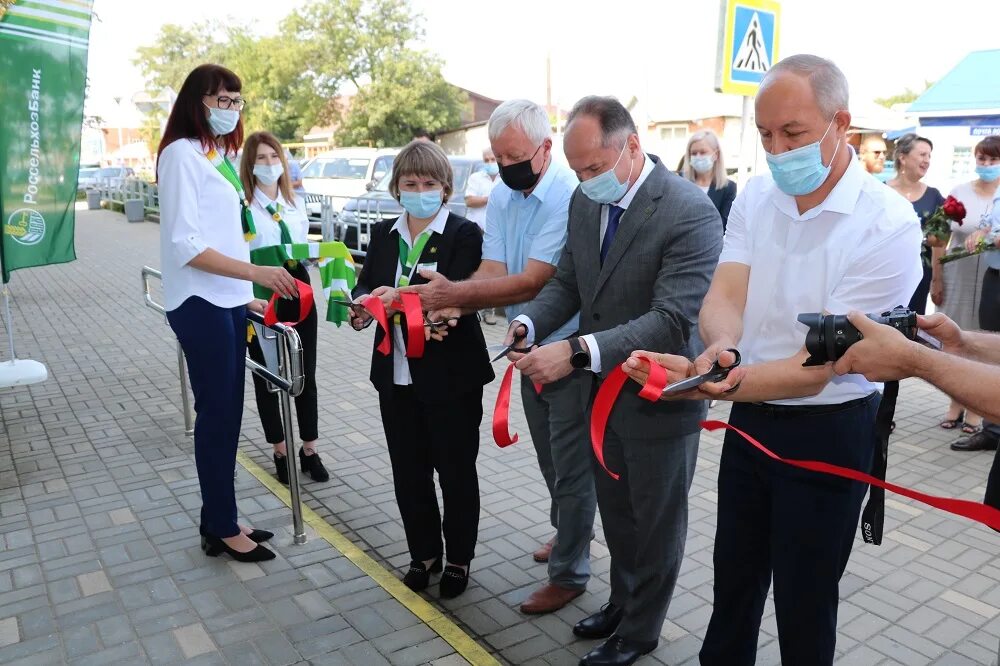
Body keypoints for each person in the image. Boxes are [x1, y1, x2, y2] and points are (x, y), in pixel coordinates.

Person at [622, 55, 921, 665]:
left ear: (841, 123)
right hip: (751, 416)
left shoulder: (887, 223)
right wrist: (718, 350)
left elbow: (825, 367)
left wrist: (715, 383)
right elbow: (726, 292)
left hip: (830, 429)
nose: (777, 148)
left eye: (793, 133)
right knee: (734, 575)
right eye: (764, 134)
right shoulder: (757, 197)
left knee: (805, 597)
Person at [511, 95, 722, 665]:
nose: (584, 181)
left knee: (656, 522)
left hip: (659, 396)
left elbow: (672, 317)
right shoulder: (585, 202)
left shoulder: (688, 210)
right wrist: (530, 323)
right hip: (602, 396)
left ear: (630, 145)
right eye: (577, 171)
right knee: (618, 512)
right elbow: (572, 284)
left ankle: (641, 630)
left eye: (594, 169)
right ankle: (623, 603)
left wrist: (577, 351)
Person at [402, 99, 595, 616]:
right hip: (524, 345)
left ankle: (570, 572)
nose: (504, 167)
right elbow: (492, 268)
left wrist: (452, 299)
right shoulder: (507, 195)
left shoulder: (567, 196)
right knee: (551, 459)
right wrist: (453, 298)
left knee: (573, 467)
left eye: (514, 156)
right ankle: (567, 536)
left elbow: (537, 278)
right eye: (498, 156)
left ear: (545, 149)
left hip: (568, 350)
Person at [157, 64, 297, 563]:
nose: (230, 109)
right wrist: (256, 276)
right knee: (218, 416)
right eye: (221, 100)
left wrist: (245, 296)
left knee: (228, 416)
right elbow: (186, 244)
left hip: (226, 301)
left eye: (236, 101)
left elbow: (223, 233)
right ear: (197, 102)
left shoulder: (214, 155)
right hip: (199, 302)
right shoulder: (179, 155)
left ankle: (221, 514)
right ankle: (220, 525)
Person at [348, 140, 493, 598]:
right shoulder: (383, 234)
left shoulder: (464, 235)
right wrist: (361, 307)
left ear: (445, 187)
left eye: (429, 183)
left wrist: (397, 301)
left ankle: (458, 560)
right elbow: (367, 286)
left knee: (455, 471)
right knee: (408, 471)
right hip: (395, 375)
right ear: (396, 188)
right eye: (410, 184)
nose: (420, 190)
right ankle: (423, 554)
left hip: (452, 377)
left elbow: (458, 296)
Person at [241, 131, 330, 485]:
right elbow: (238, 257)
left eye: (274, 157)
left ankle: (309, 449)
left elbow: (303, 249)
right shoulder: (243, 208)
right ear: (250, 164)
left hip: (300, 297)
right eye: (261, 158)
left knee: (304, 374)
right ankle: (279, 450)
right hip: (262, 301)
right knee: (267, 379)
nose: (269, 164)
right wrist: (247, 298)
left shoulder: (295, 204)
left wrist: (319, 255)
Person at [930, 136, 1000, 442]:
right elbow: (938, 236)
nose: (985, 165)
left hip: (989, 275)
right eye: (981, 159)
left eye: (992, 160)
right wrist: (937, 276)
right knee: (956, 337)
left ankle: (976, 408)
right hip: (957, 275)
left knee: (983, 340)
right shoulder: (958, 193)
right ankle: (955, 402)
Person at [952, 188, 1000, 452]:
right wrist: (982, 233)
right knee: (992, 351)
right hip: (994, 273)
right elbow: (991, 225)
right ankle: (992, 430)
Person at [886, 133, 944, 315]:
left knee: (911, 325)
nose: (927, 160)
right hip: (884, 270)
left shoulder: (934, 196)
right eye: (922, 154)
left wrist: (937, 279)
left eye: (929, 156)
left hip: (919, 275)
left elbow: (940, 243)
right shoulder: (880, 191)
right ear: (902, 157)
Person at [464, 147, 502, 325]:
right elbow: (470, 200)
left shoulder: (505, 178)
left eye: (492, 159)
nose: (489, 163)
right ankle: (471, 309)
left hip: (496, 232)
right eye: (486, 160)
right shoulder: (476, 178)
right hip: (476, 230)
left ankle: (488, 311)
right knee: (472, 269)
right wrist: (490, 198)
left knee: (492, 272)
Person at [680, 130, 737, 230]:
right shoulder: (680, 182)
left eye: (703, 152)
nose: (698, 156)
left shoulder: (728, 188)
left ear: (716, 155)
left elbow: (724, 224)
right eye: (694, 153)